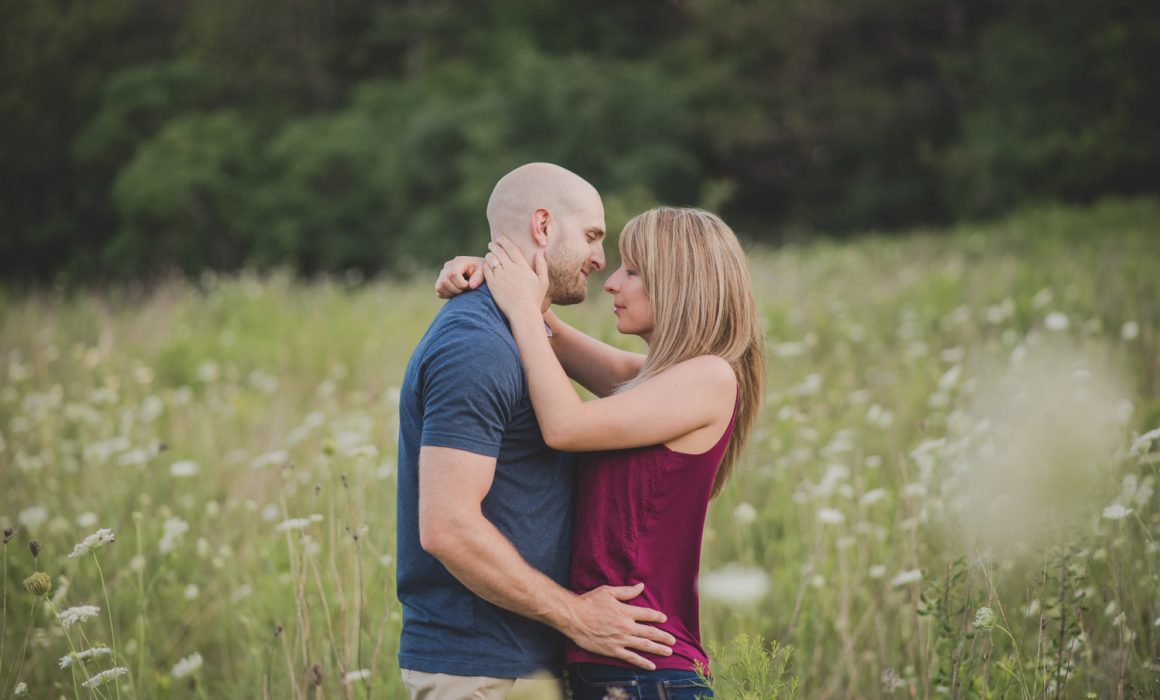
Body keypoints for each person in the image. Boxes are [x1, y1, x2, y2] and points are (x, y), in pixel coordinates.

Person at [440, 206, 765, 699]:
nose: (611, 282)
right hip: (618, 666)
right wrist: (491, 272)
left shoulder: (709, 378)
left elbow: (564, 426)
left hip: (645, 671)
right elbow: (553, 336)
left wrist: (523, 310)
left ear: (680, 284)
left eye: (632, 271)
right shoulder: (654, 380)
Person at [396, 163, 676, 700]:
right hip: (482, 672)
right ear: (543, 226)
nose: (600, 260)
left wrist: (516, 294)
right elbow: (447, 527)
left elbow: (648, 381)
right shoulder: (476, 345)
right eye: (592, 236)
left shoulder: (520, 334)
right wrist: (576, 616)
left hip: (521, 666)